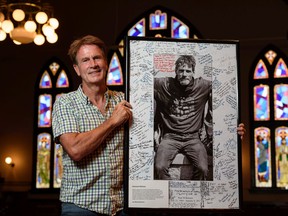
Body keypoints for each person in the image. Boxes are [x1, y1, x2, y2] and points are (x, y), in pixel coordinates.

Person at [52, 35, 132, 216]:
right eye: (85, 60)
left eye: (97, 58)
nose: (93, 64)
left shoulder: (123, 100)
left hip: (121, 206)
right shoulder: (65, 104)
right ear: (77, 69)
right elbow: (75, 149)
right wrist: (112, 121)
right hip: (81, 206)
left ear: (106, 62)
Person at [154, 55, 245, 180]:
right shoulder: (164, 84)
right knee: (159, 167)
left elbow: (226, 88)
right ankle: (171, 198)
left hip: (193, 138)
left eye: (188, 71)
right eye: (181, 71)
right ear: (176, 71)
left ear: (193, 72)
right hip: (170, 137)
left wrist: (232, 125)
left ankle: (194, 198)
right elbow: (142, 84)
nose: (184, 74)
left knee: (203, 168)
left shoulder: (202, 86)